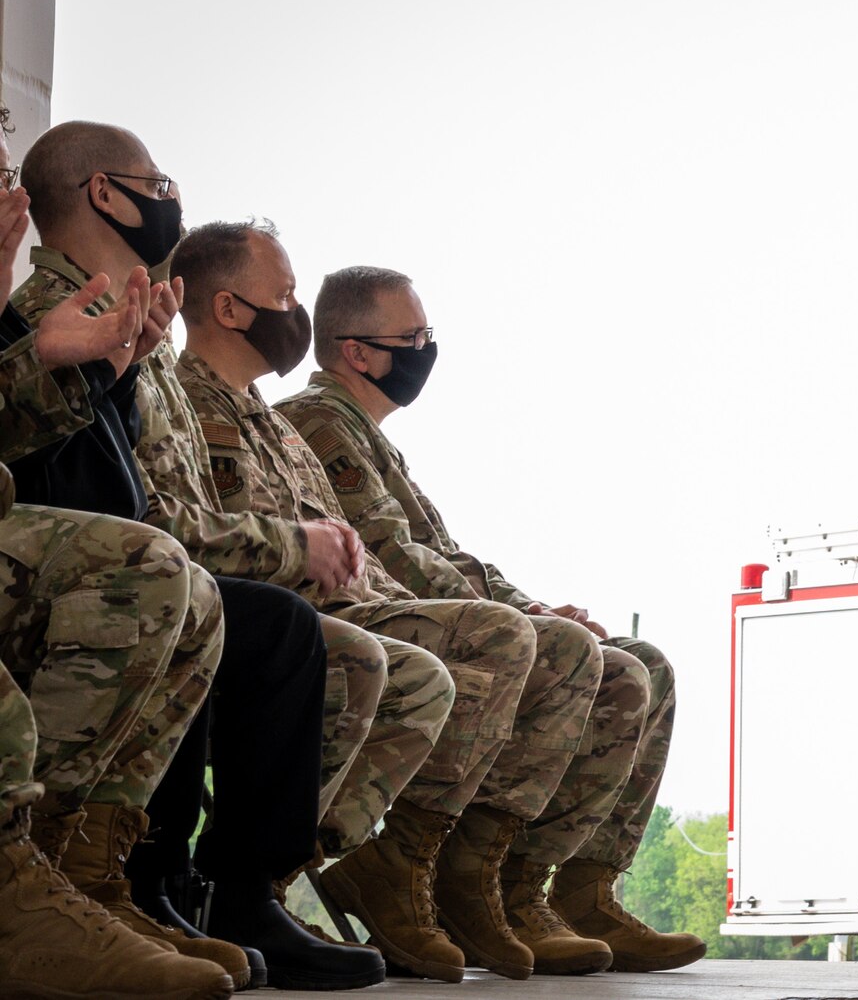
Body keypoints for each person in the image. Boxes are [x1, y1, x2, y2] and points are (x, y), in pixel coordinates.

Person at [170, 219, 621, 982]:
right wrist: (510, 618)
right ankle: (339, 874)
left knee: (614, 664)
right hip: (272, 621)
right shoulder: (250, 409)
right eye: (282, 294)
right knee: (500, 646)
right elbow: (215, 533)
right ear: (226, 307)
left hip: (338, 611)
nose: (295, 312)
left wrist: (524, 605)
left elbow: (402, 555)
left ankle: (504, 883)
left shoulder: (273, 427)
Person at [9, 122, 395, 989]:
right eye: (158, 181)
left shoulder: (124, 319)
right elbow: (107, 496)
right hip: (80, 564)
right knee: (211, 598)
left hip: (126, 556)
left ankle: (173, 883)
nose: (170, 200)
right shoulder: (58, 310)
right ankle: (124, 877)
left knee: (222, 603)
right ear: (105, 192)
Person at [277, 265, 704, 972]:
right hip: (366, 621)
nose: (425, 350)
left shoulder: (370, 433)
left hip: (420, 613)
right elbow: (396, 558)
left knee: (640, 666)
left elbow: (447, 555)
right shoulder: (321, 423)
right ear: (355, 350)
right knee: (563, 651)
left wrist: (527, 603)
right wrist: (522, 618)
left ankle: (559, 889)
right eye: (412, 337)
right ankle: (461, 880)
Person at [0, 115, 235, 999]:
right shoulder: (51, 302)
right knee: (152, 566)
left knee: (196, 587)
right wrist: (57, 355)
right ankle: (24, 883)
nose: (11, 201)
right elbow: (72, 488)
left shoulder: (78, 313)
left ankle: (77, 875)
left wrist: (99, 368)